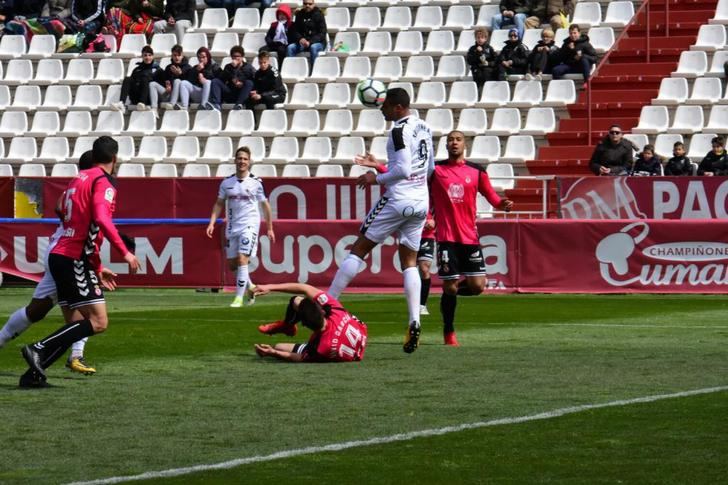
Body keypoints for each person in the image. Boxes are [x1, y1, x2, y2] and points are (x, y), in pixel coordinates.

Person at [19, 136, 140, 388]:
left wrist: (96, 266)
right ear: (114, 159)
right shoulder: (102, 181)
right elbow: (101, 218)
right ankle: (38, 348)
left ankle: (32, 375)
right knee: (98, 322)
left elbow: (62, 211)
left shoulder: (78, 179)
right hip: (73, 257)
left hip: (62, 254)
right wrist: (124, 252)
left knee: (75, 324)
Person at [328, 88, 434, 354]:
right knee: (409, 260)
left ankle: (327, 303)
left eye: (385, 106)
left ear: (398, 107)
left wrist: (375, 177)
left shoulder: (398, 131)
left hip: (398, 198)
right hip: (421, 200)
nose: (381, 110)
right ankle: (414, 320)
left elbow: (403, 170)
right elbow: (429, 168)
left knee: (360, 248)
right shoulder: (425, 127)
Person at [0, 151, 117, 375]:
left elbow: (60, 209)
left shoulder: (73, 188)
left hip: (60, 248)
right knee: (85, 315)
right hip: (68, 253)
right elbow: (91, 224)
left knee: (43, 310)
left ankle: (64, 360)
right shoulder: (94, 187)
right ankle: (57, 352)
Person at [429, 131, 514, 346]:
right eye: (450, 140)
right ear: (446, 145)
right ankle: (449, 332)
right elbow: (421, 195)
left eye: (458, 139)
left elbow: (491, 196)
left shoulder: (476, 171)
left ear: (464, 144)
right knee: (449, 287)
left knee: (477, 287)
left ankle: (450, 293)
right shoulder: (435, 170)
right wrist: (428, 217)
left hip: (470, 237)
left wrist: (501, 204)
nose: (454, 143)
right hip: (447, 237)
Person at [206, 146, 275, 308]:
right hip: (233, 226)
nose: (242, 161)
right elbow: (218, 204)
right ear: (235, 160)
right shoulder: (226, 183)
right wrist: (211, 222)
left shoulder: (256, 183)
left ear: (249, 162)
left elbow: (265, 206)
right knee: (232, 264)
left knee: (242, 258)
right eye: (239, 158)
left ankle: (238, 298)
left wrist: (270, 228)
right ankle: (250, 287)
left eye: (245, 159)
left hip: (249, 225)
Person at [254, 283, 367, 363]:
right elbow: (304, 288)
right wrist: (269, 287)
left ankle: (287, 327)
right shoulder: (336, 311)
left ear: (305, 325)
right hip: (358, 335)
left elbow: (300, 358)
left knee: (279, 347)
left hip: (335, 349)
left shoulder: (320, 347)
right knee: (296, 300)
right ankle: (287, 326)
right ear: (322, 312)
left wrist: (273, 352)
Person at [112, 45, 159, 113]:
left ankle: (142, 103)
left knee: (144, 79)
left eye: (150, 55)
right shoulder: (137, 69)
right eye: (145, 55)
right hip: (136, 97)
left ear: (153, 56)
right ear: (142, 56)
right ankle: (121, 103)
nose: (147, 57)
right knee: (128, 79)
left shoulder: (157, 69)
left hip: (148, 98)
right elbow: (131, 84)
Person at [209, 45, 255, 111]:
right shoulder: (228, 67)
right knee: (215, 81)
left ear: (242, 57)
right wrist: (233, 69)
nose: (236, 58)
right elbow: (222, 79)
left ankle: (239, 104)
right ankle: (216, 105)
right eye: (234, 56)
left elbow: (254, 79)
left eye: (238, 56)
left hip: (242, 93)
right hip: (230, 92)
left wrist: (242, 83)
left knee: (249, 83)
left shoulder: (248, 67)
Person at [286, 0, 327, 69]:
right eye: (305, 3)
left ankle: (314, 71)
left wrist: (310, 42)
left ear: (314, 4)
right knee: (290, 48)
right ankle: (292, 70)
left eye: (310, 4)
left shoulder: (319, 14)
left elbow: (322, 33)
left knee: (313, 47)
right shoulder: (299, 14)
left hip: (318, 43)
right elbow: (295, 31)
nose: (307, 5)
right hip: (303, 42)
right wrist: (300, 38)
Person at [150, 43, 191, 111]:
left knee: (177, 81)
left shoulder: (187, 67)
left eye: (179, 55)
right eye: (175, 55)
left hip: (181, 95)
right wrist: (167, 87)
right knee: (152, 84)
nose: (177, 57)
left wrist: (180, 74)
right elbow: (166, 81)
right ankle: (154, 109)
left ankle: (172, 104)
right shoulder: (168, 67)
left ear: (182, 56)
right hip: (169, 94)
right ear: (172, 56)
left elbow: (188, 84)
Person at [466, 27, 497, 94]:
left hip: (487, 69)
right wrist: (478, 53)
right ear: (475, 38)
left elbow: (496, 60)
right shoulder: (472, 49)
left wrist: (488, 63)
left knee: (487, 73)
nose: (480, 39)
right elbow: (469, 61)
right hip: (477, 69)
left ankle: (489, 93)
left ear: (485, 38)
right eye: (478, 37)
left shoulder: (489, 48)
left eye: (482, 37)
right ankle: (477, 94)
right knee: (478, 74)